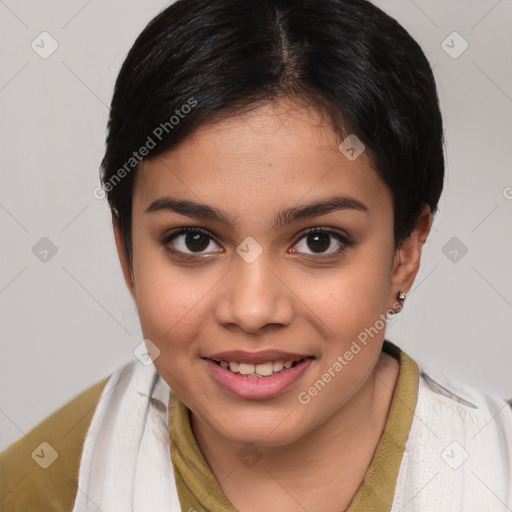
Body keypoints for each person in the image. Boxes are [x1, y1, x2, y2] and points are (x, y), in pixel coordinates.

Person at [1, 0, 511, 510]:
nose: (252, 310)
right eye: (194, 240)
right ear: (127, 251)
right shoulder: (43, 487)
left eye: (318, 241)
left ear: (405, 251)